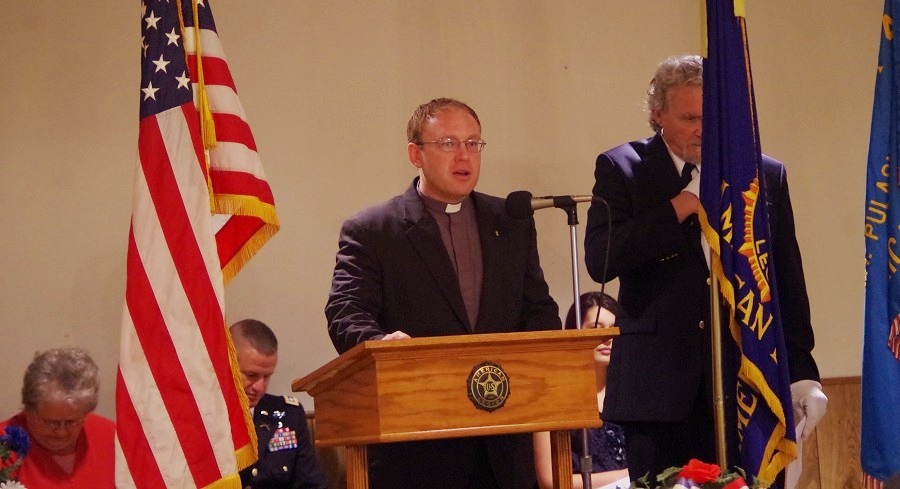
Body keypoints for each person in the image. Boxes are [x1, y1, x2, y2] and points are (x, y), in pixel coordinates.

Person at [583, 55, 827, 481]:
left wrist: (804, 373)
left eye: (710, 118)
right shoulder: (622, 167)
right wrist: (680, 206)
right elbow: (602, 258)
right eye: (689, 118)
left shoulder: (762, 174)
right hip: (657, 389)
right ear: (657, 114)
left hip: (744, 379)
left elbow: (785, 279)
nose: (702, 129)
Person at [325, 97, 561, 489]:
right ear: (415, 154)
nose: (464, 155)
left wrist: (552, 356)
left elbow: (537, 308)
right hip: (418, 445)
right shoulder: (373, 229)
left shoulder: (510, 221)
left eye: (473, 143)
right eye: (448, 143)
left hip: (505, 444)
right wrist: (380, 345)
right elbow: (345, 310)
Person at [533, 292, 629, 489]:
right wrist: (626, 476)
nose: (608, 338)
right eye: (596, 328)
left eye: (613, 329)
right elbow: (550, 480)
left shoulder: (630, 393)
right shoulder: (552, 399)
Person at [231, 319, 328, 489]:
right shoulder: (204, 417)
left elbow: (311, 484)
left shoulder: (288, 414)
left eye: (267, 376)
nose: (260, 387)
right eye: (251, 375)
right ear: (228, 364)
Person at [0, 347, 115, 488]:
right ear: (28, 409)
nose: (61, 433)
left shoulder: (111, 436)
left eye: (72, 422)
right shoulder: (4, 444)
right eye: (51, 422)